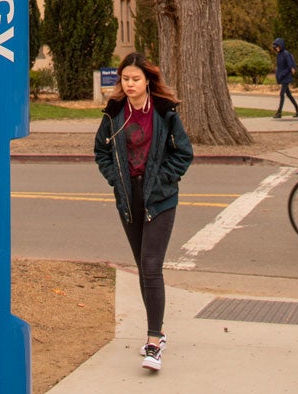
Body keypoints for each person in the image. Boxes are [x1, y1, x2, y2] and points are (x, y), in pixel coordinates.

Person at [94, 52, 193, 372]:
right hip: (128, 197)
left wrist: (164, 180)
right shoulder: (114, 114)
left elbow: (184, 154)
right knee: (142, 266)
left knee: (152, 265)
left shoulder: (165, 113)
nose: (130, 84)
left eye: (136, 79)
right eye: (125, 79)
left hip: (160, 197)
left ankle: (153, 341)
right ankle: (156, 330)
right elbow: (101, 151)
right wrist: (116, 178)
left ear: (147, 80)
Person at [271, 37, 298, 119]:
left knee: (282, 94)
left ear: (281, 46)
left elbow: (289, 66)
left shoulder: (285, 53)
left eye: (277, 47)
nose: (276, 48)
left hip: (286, 76)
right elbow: (279, 66)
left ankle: (279, 112)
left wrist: (282, 74)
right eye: (275, 47)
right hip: (282, 76)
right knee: (288, 94)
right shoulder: (279, 55)